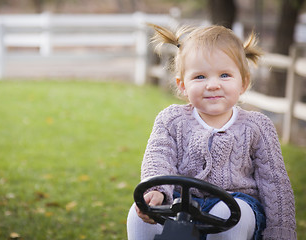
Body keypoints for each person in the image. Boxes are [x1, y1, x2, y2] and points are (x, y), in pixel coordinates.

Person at [127, 23, 296, 240]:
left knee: (227, 214)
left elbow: (275, 184)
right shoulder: (171, 120)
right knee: (136, 214)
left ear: (243, 83)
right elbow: (159, 157)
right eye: (200, 77)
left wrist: (281, 231)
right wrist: (157, 191)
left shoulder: (257, 127)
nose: (213, 85)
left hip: (237, 204)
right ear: (182, 85)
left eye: (224, 75)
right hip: (180, 203)